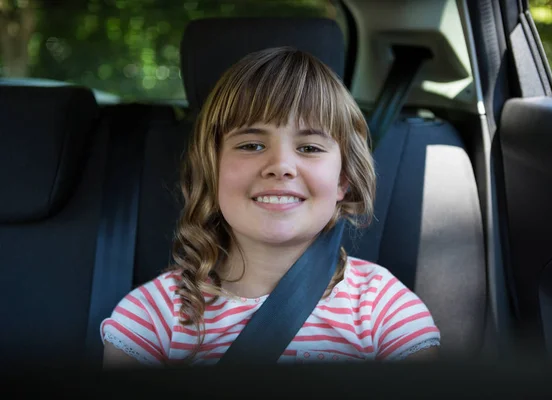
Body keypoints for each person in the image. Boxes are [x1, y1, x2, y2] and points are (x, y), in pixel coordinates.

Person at [101, 46, 440, 367]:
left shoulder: (383, 308)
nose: (281, 165)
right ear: (212, 171)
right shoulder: (152, 318)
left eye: (309, 148)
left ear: (343, 180)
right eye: (251, 145)